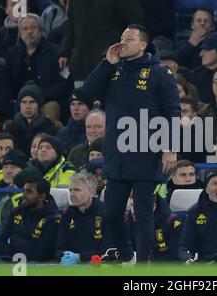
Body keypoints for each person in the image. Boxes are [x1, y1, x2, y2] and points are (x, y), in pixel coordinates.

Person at [76, 24, 180, 264]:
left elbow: (172, 112)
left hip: (147, 150)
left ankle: (142, 266)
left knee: (143, 214)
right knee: (111, 213)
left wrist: (169, 147)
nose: (122, 43)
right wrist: (106, 62)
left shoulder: (160, 72)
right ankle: (127, 255)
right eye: (121, 38)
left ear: (143, 44)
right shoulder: (112, 70)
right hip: (117, 152)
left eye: (129, 39)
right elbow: (84, 94)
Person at [0, 176, 61, 262]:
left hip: (40, 267)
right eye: (24, 190)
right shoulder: (16, 212)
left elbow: (40, 253)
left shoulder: (53, 218)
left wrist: (13, 240)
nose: (23, 195)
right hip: (11, 260)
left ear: (41, 196)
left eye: (29, 191)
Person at [56, 173, 107, 265]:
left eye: (77, 190)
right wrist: (64, 256)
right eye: (70, 190)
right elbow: (59, 248)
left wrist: (80, 258)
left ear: (91, 192)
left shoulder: (105, 213)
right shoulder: (67, 214)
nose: (71, 194)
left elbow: (108, 251)